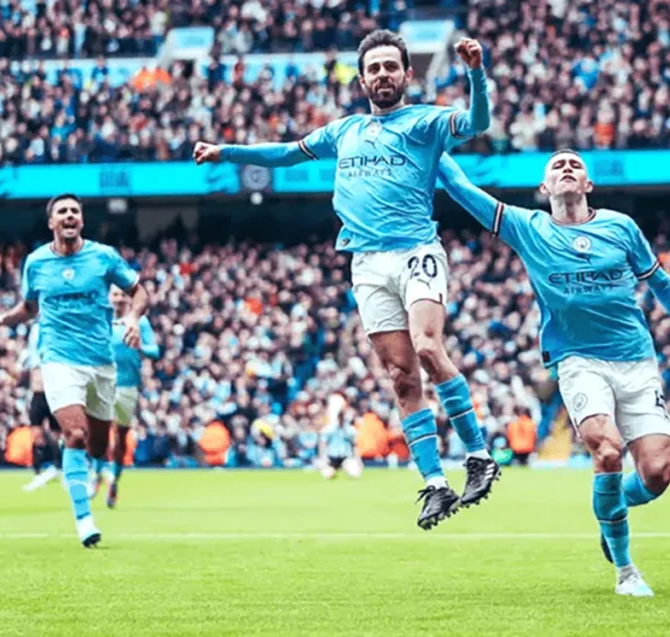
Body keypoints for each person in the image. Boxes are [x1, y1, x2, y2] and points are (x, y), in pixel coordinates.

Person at [193, 30, 498, 530]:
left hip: (415, 250)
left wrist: (475, 73)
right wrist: (226, 152)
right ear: (362, 79)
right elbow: (286, 153)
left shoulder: (424, 122)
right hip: (365, 263)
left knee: (426, 347)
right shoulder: (345, 131)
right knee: (401, 378)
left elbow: (476, 122)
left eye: (389, 67)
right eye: (373, 68)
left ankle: (479, 455)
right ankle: (436, 484)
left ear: (407, 74)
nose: (382, 74)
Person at [438, 150, 670, 597]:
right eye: (557, 166)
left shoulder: (621, 227)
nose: (567, 167)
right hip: (577, 360)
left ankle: (610, 510)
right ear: (545, 189)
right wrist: (434, 150)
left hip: (636, 359)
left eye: (576, 165)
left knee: (658, 473)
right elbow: (465, 192)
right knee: (607, 450)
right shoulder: (528, 227)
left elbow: (661, 283)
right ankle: (627, 571)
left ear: (588, 185)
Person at [0, 193, 149, 548]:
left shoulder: (103, 256)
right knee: (74, 434)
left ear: (82, 221)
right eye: (63, 211)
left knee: (100, 445)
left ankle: (85, 468)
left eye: (75, 210)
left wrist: (133, 317)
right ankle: (83, 519)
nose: (70, 215)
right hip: (58, 359)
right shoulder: (37, 262)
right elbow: (29, 308)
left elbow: (139, 292)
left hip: (101, 362)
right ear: (52, 222)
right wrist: (4, 318)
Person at [103, 284, 160, 508]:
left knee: (120, 437)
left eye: (122, 295)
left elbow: (155, 351)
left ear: (129, 299)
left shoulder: (140, 322)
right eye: (114, 294)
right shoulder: (101, 321)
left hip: (128, 386)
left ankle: (114, 477)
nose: (118, 299)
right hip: (103, 382)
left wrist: (140, 345)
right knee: (94, 428)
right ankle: (97, 472)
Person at [21, 322, 62, 492]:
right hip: (38, 393)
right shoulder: (36, 332)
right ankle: (38, 473)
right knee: (37, 434)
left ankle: (60, 468)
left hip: (54, 392)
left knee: (57, 435)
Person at [319, 394, 362, 480]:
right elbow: (323, 443)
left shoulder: (350, 429)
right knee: (327, 475)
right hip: (332, 458)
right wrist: (323, 458)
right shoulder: (329, 429)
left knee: (355, 474)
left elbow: (354, 445)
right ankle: (332, 470)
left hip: (345, 457)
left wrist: (358, 459)